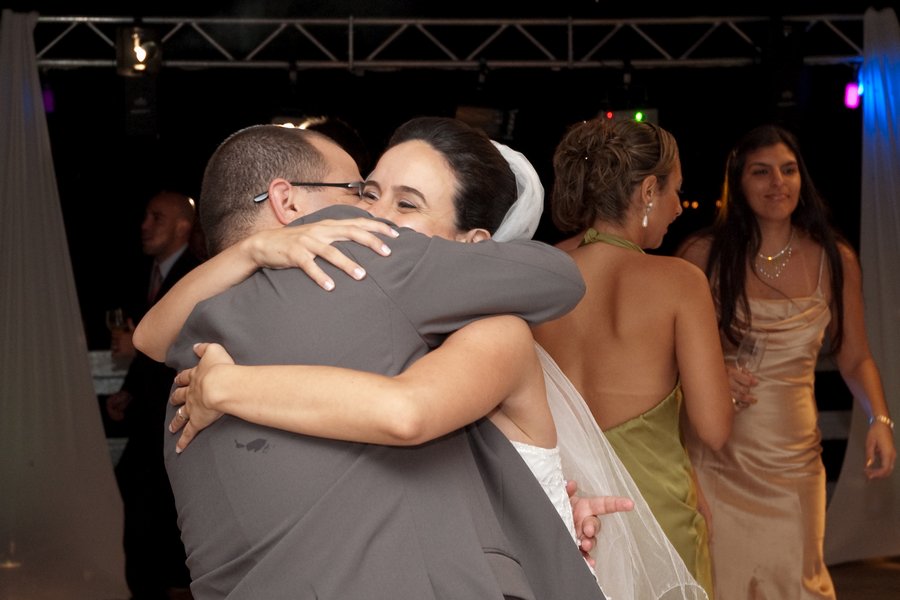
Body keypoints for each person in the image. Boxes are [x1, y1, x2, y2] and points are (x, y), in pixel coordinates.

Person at [144, 117, 708, 600]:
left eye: (406, 204)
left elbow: (410, 415)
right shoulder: (382, 320)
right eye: (365, 193)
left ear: (472, 247)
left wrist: (228, 387)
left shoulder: (493, 335)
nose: (377, 216)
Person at [676, 123, 896, 599]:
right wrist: (708, 373)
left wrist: (879, 418)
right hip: (717, 455)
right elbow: (664, 352)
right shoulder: (703, 255)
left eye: (788, 170)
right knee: (722, 582)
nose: (778, 182)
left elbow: (856, 357)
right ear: (738, 182)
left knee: (797, 583)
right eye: (761, 172)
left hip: (794, 459)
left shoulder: (834, 258)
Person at [530, 117, 734, 598]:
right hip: (656, 515)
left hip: (564, 511)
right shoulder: (680, 282)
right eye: (675, 190)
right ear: (647, 191)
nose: (679, 207)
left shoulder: (539, 277)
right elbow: (714, 429)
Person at [105, 190, 202, 600]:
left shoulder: (196, 274)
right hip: (149, 420)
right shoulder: (148, 274)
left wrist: (138, 352)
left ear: (183, 226)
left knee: (159, 523)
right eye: (145, 216)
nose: (144, 226)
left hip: (178, 421)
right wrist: (129, 391)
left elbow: (191, 345)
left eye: (156, 217)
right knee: (139, 514)